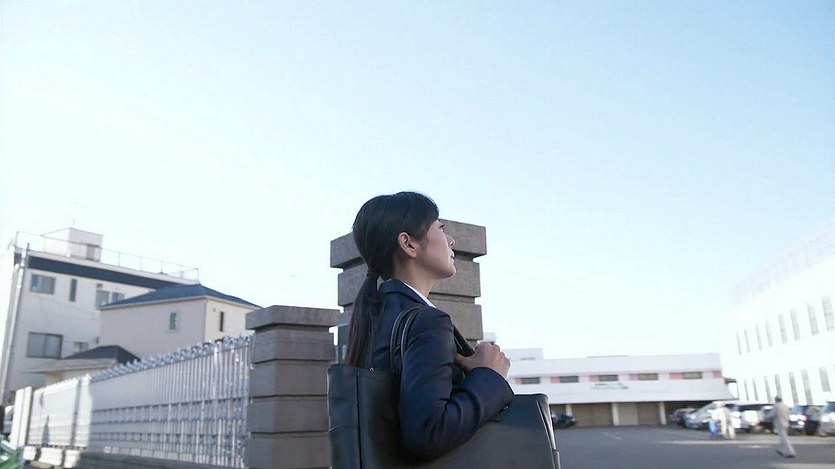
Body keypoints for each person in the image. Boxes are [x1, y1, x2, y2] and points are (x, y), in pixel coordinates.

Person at [345, 191, 513, 462]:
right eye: (440, 228)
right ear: (408, 244)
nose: (451, 240)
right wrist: (489, 376)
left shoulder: (376, 315)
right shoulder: (427, 322)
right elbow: (428, 432)